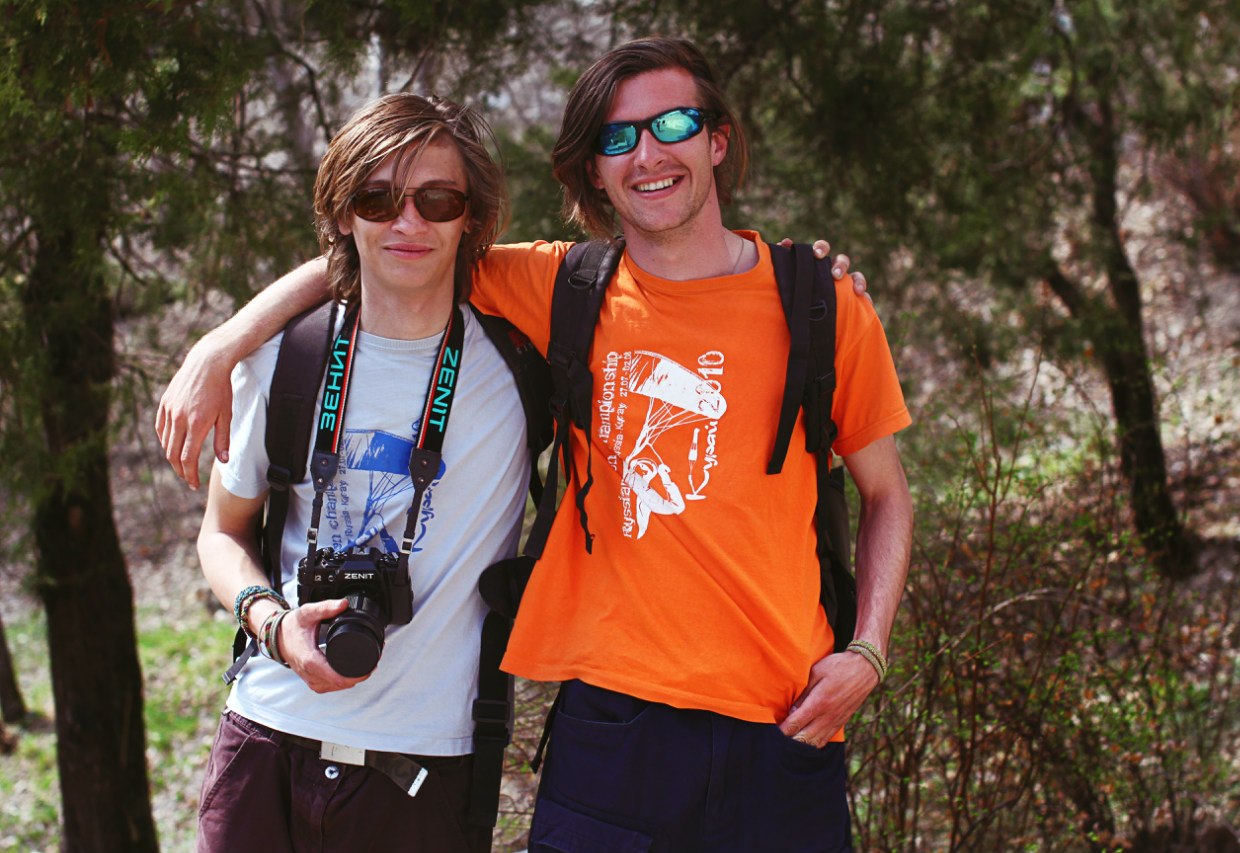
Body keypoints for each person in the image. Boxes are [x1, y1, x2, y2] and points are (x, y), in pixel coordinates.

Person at [159, 37, 909, 853]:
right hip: (610, 727)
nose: (648, 154)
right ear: (593, 169)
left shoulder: (820, 305)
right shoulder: (564, 288)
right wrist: (223, 344)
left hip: (784, 721)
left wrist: (869, 651)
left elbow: (886, 494)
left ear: (718, 140)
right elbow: (389, 250)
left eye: (674, 124)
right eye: (618, 137)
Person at [193, 92, 523, 853]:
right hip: (265, 744)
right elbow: (221, 532)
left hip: (425, 770)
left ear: (470, 218)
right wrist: (272, 624)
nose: (408, 223)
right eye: (377, 199)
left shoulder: (522, 366)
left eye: (437, 200)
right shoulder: (283, 359)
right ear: (344, 214)